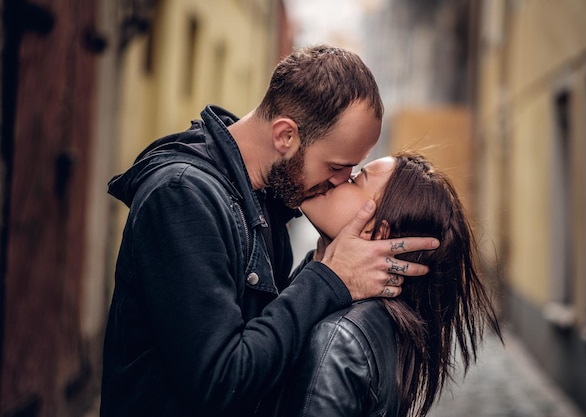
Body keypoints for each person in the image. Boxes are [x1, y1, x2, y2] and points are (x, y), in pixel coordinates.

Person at [100, 45, 439, 417]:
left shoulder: (263, 200)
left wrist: (331, 265)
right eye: (337, 166)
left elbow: (267, 341)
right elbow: (222, 383)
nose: (341, 182)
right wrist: (329, 278)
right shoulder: (182, 197)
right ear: (285, 136)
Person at [276, 151, 502, 417]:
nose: (338, 179)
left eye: (357, 180)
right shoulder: (383, 318)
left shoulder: (339, 339)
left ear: (377, 233)